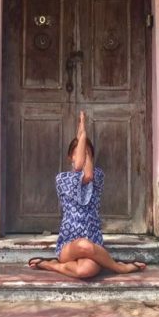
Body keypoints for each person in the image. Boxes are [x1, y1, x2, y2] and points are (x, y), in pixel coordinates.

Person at [28, 111, 147, 278]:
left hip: (93, 244)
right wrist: (82, 133)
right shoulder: (62, 179)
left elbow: (88, 174)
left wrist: (86, 148)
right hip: (69, 246)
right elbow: (79, 169)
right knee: (84, 245)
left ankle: (51, 265)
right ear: (70, 156)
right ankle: (120, 268)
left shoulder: (98, 175)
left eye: (88, 153)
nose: (84, 157)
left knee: (85, 271)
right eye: (79, 153)